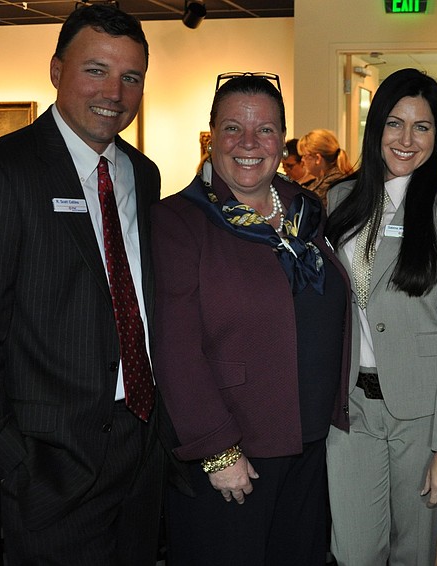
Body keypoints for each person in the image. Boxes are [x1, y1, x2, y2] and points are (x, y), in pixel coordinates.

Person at [150, 73, 351, 565]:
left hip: (310, 440)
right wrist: (218, 449)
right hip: (235, 449)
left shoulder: (306, 210)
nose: (248, 143)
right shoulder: (180, 220)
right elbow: (175, 348)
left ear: (283, 140)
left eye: (265, 129)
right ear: (212, 134)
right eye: (232, 127)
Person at [0, 4, 172, 564]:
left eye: (131, 77)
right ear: (55, 70)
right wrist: (14, 459)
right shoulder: (9, 171)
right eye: (96, 70)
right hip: (47, 465)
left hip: (141, 452)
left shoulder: (142, 175)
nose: (114, 92)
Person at [325, 68, 437, 566]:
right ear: (376, 129)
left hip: (421, 415)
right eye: (395, 123)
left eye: (423, 126)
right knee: (352, 552)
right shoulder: (338, 201)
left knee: (412, 554)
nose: (407, 139)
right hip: (350, 411)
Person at [298, 128, 355, 207]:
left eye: (304, 156)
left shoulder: (332, 183)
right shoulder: (329, 178)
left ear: (318, 158)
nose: (302, 160)